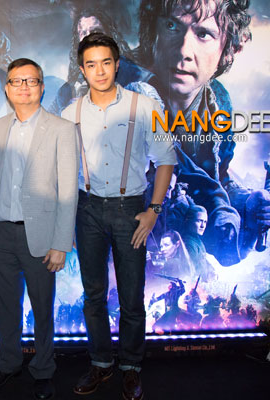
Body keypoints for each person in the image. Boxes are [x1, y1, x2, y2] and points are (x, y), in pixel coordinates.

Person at [61, 33, 176, 400]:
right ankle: (100, 363)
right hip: (87, 208)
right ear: (82, 69)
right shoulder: (70, 113)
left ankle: (130, 367)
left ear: (117, 64)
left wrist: (153, 211)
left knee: (131, 294)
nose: (99, 71)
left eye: (106, 62)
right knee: (93, 294)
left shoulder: (144, 106)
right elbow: (64, 169)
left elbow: (166, 159)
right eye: (91, 64)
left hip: (130, 209)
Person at [136, 0, 270, 265]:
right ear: (153, 32)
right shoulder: (130, 93)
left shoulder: (218, 102)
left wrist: (248, 205)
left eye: (203, 34)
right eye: (172, 26)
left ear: (228, 48)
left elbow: (214, 177)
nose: (184, 51)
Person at [0, 58, 79, 400]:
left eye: (31, 80)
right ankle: (7, 364)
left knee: (42, 308)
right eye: (16, 81)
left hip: (40, 235)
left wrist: (61, 243)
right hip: (1, 232)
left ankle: (43, 370)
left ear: (42, 87)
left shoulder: (62, 129)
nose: (23, 87)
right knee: (5, 305)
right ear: (7, 88)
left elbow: (68, 190)